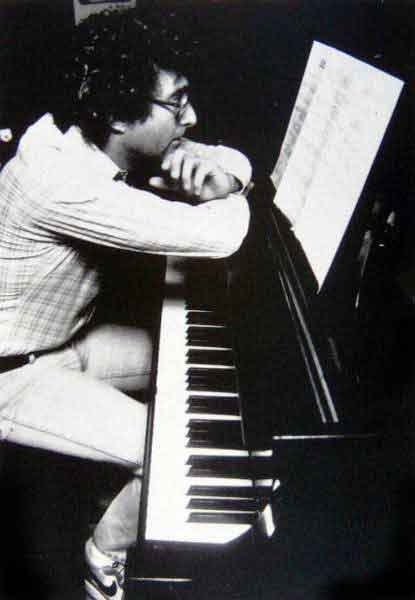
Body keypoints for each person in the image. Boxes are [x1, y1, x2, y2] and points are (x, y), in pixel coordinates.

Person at [0, 9, 251, 600]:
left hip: (60, 345)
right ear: (118, 115)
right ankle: (102, 557)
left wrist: (229, 174)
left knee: (205, 377)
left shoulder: (84, 135)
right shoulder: (61, 181)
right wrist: (229, 188)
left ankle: (108, 491)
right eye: (177, 102)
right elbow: (221, 235)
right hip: (11, 378)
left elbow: (229, 155)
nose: (192, 117)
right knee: (171, 453)